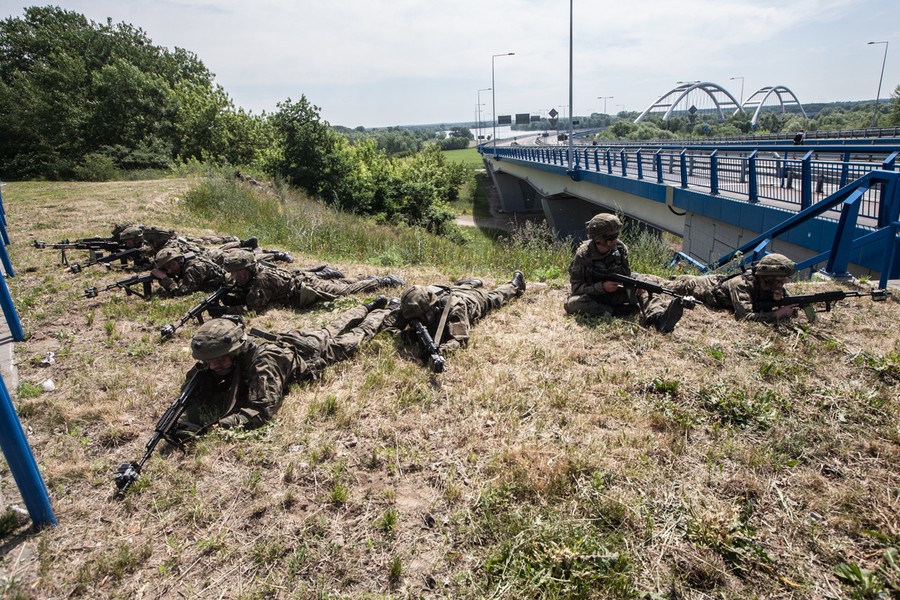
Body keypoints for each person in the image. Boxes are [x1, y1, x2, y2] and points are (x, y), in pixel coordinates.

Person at [174, 297, 393, 438]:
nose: (213, 365)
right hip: (293, 339)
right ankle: (367, 306)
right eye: (209, 361)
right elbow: (197, 377)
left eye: (220, 360)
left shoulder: (264, 362)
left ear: (236, 350)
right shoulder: (219, 353)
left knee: (355, 336)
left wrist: (214, 428)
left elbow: (261, 410)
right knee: (330, 327)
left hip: (310, 353)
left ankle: (384, 310)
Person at [564, 213, 685, 333]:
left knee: (645, 286)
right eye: (610, 238)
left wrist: (635, 287)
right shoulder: (583, 255)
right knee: (573, 304)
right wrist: (602, 287)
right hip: (594, 297)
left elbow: (626, 276)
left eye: (616, 235)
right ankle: (616, 311)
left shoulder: (621, 249)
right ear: (598, 239)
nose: (615, 240)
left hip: (617, 292)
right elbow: (576, 288)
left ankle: (658, 318)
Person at [386, 271, 526, 362]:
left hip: (471, 299)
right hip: (452, 290)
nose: (424, 320)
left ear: (434, 306)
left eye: (427, 315)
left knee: (494, 298)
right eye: (420, 318)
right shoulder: (412, 307)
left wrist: (441, 352)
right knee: (460, 287)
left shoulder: (455, 309)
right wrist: (409, 336)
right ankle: (471, 283)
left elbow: (460, 339)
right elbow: (388, 326)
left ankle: (515, 284)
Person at [219, 249, 404, 313]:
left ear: (249, 269)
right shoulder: (255, 274)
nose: (237, 277)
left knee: (344, 292)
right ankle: (368, 279)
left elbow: (253, 308)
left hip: (305, 288)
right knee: (340, 285)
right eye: (234, 273)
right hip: (301, 281)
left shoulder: (261, 280)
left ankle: (384, 281)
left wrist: (226, 308)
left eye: (240, 273)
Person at [669, 253, 798, 323]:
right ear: (768, 278)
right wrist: (776, 314)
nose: (785, 282)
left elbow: (791, 309)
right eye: (780, 279)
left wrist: (778, 301)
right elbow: (744, 317)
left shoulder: (772, 286)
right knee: (670, 284)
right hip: (698, 287)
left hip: (718, 281)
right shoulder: (742, 285)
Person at [151, 247, 227, 296]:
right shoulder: (185, 264)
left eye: (171, 265)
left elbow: (183, 292)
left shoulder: (192, 268)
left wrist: (166, 279)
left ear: (179, 259)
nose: (169, 271)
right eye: (165, 268)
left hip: (225, 285)